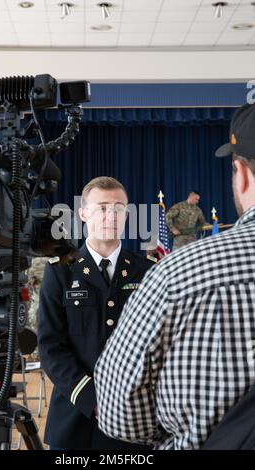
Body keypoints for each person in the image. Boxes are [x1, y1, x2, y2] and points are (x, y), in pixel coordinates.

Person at [94, 103, 255, 450]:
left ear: (240, 174)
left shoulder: (175, 278)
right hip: (184, 243)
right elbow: (172, 224)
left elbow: (117, 407)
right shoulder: (181, 214)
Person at [38, 176, 153, 450]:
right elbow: (51, 347)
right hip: (75, 417)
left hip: (132, 421)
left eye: (119, 208)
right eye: (102, 207)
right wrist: (93, 399)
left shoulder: (147, 271)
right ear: (83, 213)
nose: (111, 215)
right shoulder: (60, 271)